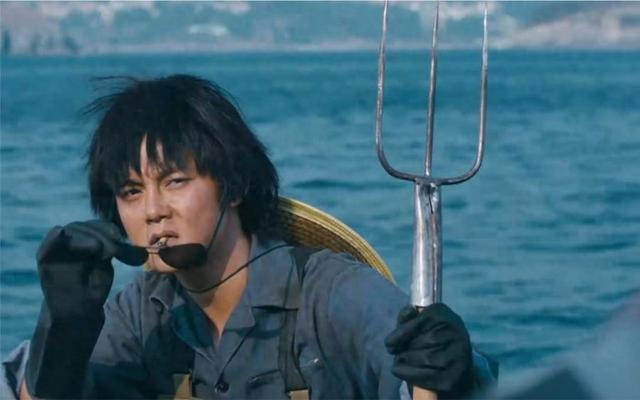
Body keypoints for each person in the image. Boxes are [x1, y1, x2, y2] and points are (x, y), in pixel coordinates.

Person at [3, 75, 495, 399]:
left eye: (175, 182)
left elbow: (432, 378)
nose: (152, 210)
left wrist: (450, 370)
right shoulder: (141, 314)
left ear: (234, 186)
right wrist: (64, 327)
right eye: (131, 191)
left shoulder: (332, 295)